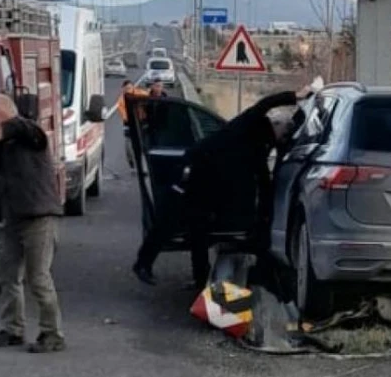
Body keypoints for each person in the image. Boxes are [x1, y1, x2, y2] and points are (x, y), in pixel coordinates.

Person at [132, 85, 311, 288]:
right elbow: (265, 103)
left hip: (212, 184)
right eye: (284, 135)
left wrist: (265, 218)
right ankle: (143, 264)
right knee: (171, 219)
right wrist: (295, 95)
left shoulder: (263, 145)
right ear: (277, 125)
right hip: (195, 171)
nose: (283, 140)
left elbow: (263, 179)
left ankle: (200, 280)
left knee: (199, 231)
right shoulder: (251, 122)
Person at [0, 93, 66, 353]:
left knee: (38, 278)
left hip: (39, 217)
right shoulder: (1, 146)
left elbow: (14, 126)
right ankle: (12, 330)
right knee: (8, 275)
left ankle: (53, 334)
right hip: (14, 218)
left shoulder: (30, 132)